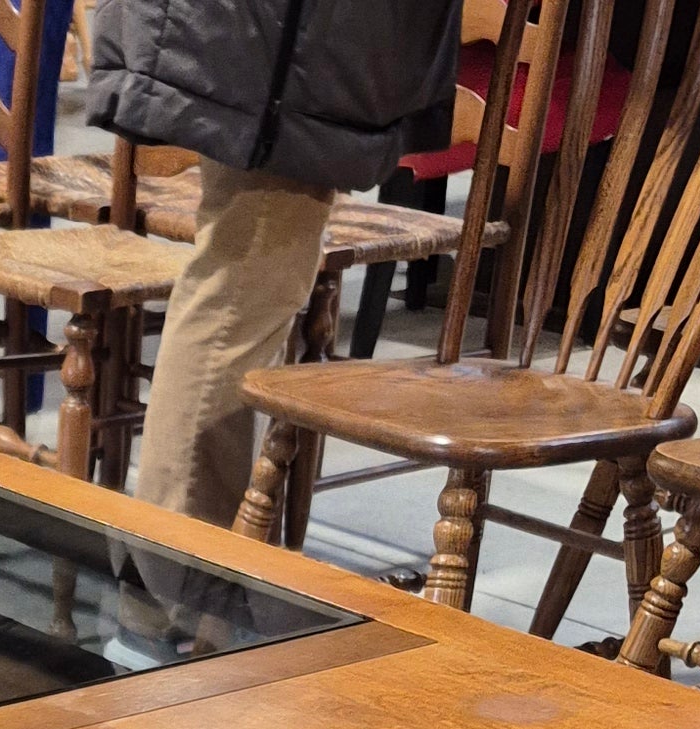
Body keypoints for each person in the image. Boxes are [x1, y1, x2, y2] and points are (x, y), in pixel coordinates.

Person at [89, 0, 466, 540]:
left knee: (238, 284)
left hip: (257, 37)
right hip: (281, 44)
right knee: (242, 288)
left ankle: (173, 582)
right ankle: (178, 588)